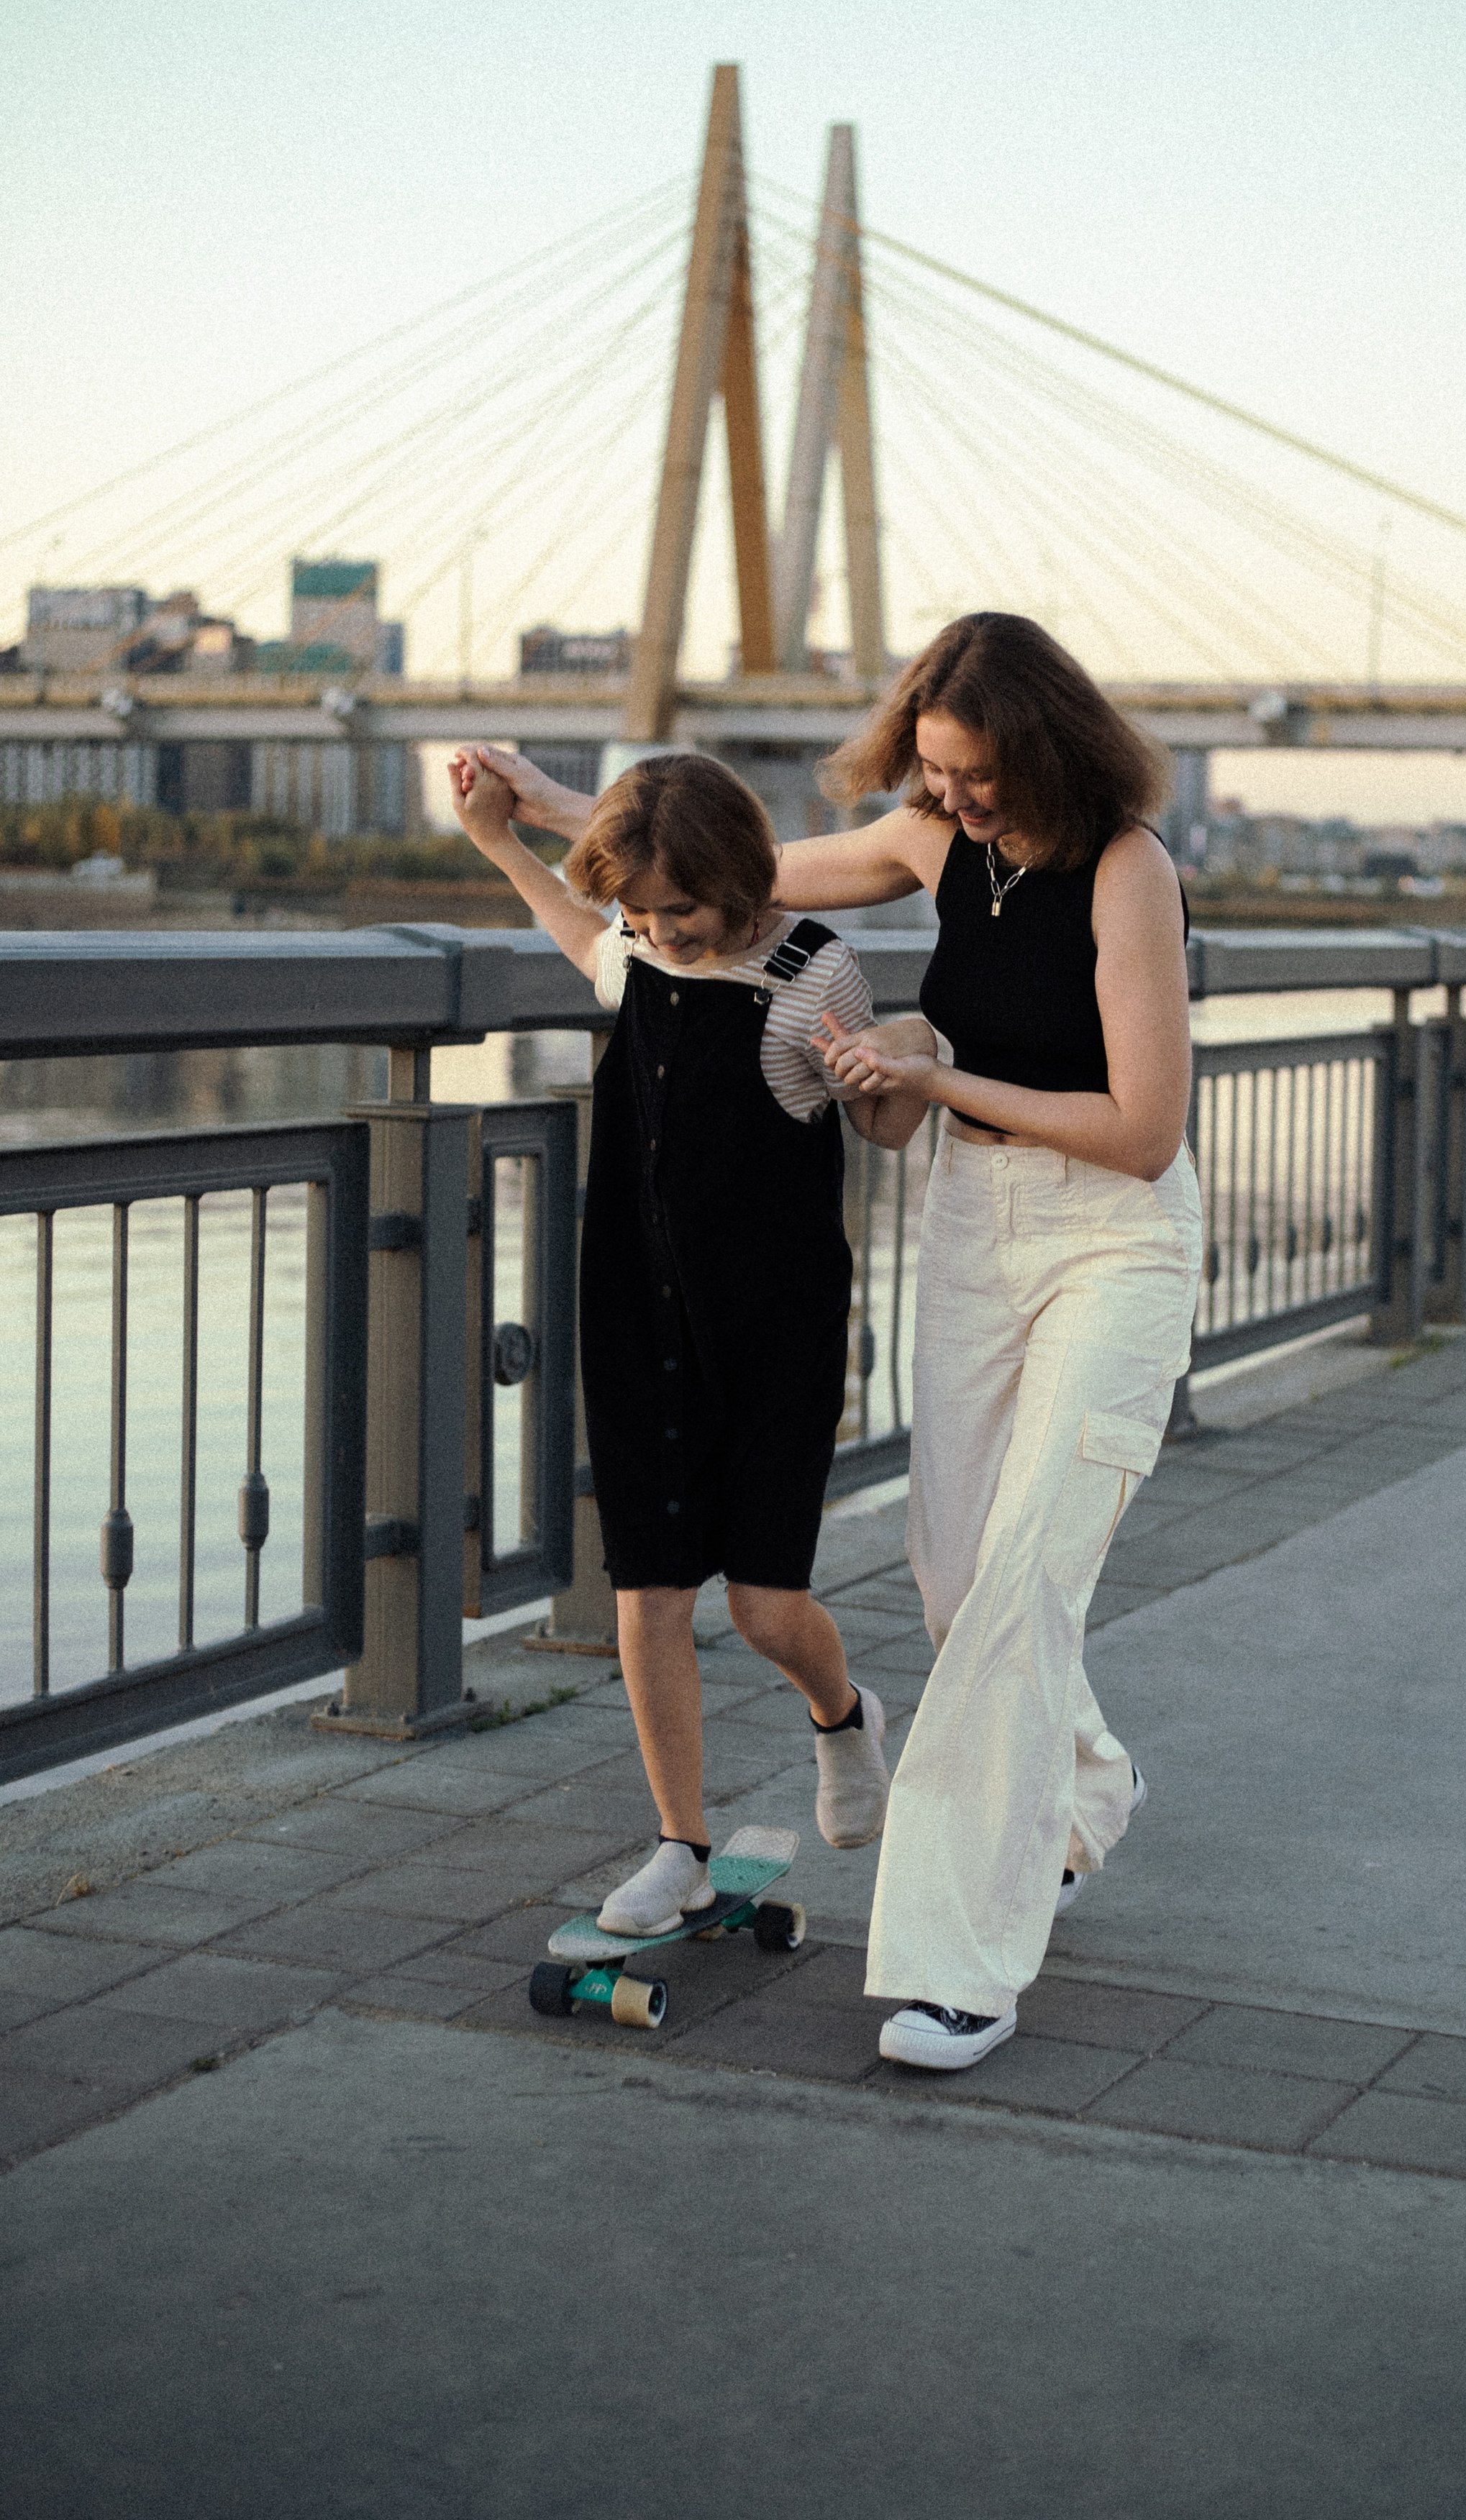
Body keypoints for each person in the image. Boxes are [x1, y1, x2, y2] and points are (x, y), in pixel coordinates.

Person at [460, 611, 1201, 2066]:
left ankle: (960, 1965)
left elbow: (1142, 1130)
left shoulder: (1128, 871)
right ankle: (1085, 1789)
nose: (951, 797)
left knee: (1017, 1587)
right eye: (933, 769)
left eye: (976, 774)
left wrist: (934, 1066)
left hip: (1112, 1237)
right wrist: (551, 808)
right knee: (954, 1581)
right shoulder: (934, 839)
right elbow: (736, 874)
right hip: (977, 1223)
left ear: (1050, 748)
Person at [447, 745, 934, 1938]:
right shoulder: (637, 950)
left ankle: (844, 1715)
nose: (660, 932)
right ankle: (681, 1846)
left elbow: (881, 1126)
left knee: (766, 1607)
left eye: (683, 911)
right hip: (638, 1315)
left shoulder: (814, 974)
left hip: (773, 1334)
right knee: (650, 1590)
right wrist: (497, 839)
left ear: (741, 880)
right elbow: (580, 935)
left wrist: (905, 1057)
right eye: (642, 910)